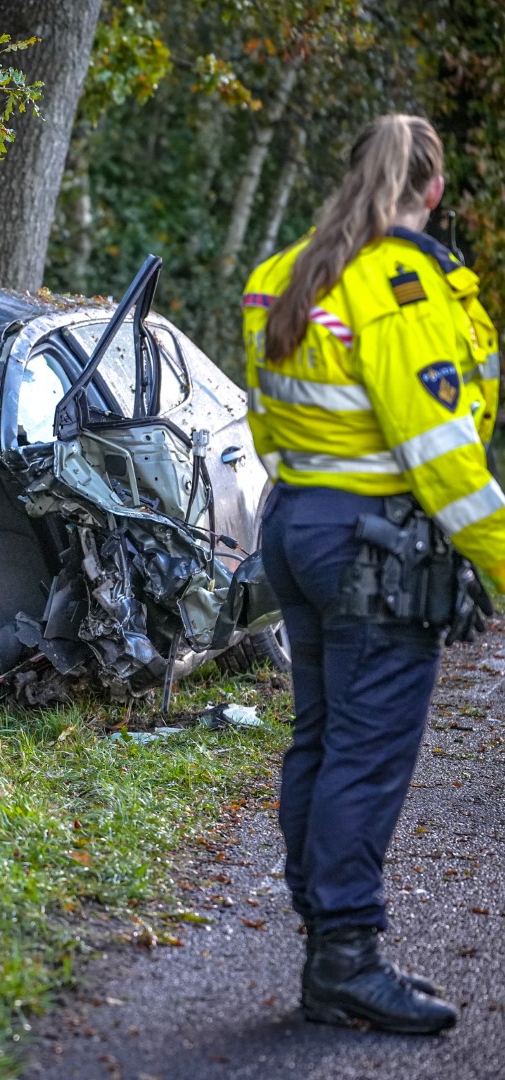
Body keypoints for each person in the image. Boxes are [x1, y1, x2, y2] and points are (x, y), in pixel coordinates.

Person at [241, 113, 503, 1035]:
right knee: (366, 751)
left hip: (297, 522)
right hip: (373, 543)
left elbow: (265, 420)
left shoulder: (282, 272)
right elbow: (444, 459)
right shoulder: (400, 284)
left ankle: (326, 936)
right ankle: (345, 960)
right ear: (432, 191)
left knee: (321, 738)